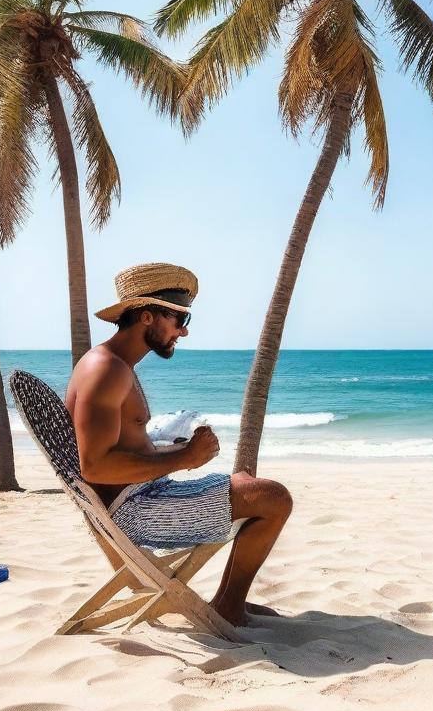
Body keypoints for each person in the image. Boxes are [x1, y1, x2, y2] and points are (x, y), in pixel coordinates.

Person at [65, 262, 292, 627]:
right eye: (178, 319)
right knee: (273, 497)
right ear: (147, 317)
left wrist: (176, 450)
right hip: (135, 513)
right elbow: (96, 467)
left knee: (250, 485)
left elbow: (121, 451)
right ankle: (229, 607)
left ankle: (229, 601)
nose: (183, 331)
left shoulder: (115, 365)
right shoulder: (106, 370)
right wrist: (185, 457)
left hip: (142, 495)